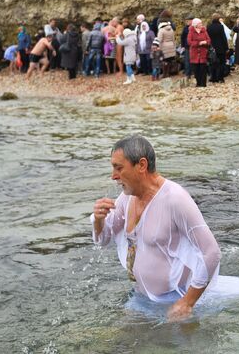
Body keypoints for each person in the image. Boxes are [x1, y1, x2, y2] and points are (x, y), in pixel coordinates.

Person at [91, 136, 227, 321]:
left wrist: (187, 303)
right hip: (142, 298)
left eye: (119, 168)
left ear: (141, 165)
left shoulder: (175, 199)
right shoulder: (126, 198)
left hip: (174, 302)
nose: (113, 176)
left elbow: (211, 252)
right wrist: (99, 220)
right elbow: (102, 240)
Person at [187, 18, 210, 87]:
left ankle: (203, 84)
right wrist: (198, 43)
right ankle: (198, 83)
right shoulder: (191, 31)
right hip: (194, 53)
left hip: (203, 52)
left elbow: (209, 40)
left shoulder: (204, 31)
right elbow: (189, 42)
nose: (201, 24)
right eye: (200, 23)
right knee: (196, 70)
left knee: (203, 69)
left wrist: (206, 42)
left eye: (201, 23)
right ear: (196, 25)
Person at [207, 14, 229, 83]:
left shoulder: (209, 27)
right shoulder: (220, 27)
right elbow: (223, 38)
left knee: (213, 63)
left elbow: (208, 37)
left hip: (212, 48)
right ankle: (221, 78)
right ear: (218, 19)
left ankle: (213, 78)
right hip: (221, 48)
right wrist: (226, 48)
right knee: (222, 63)